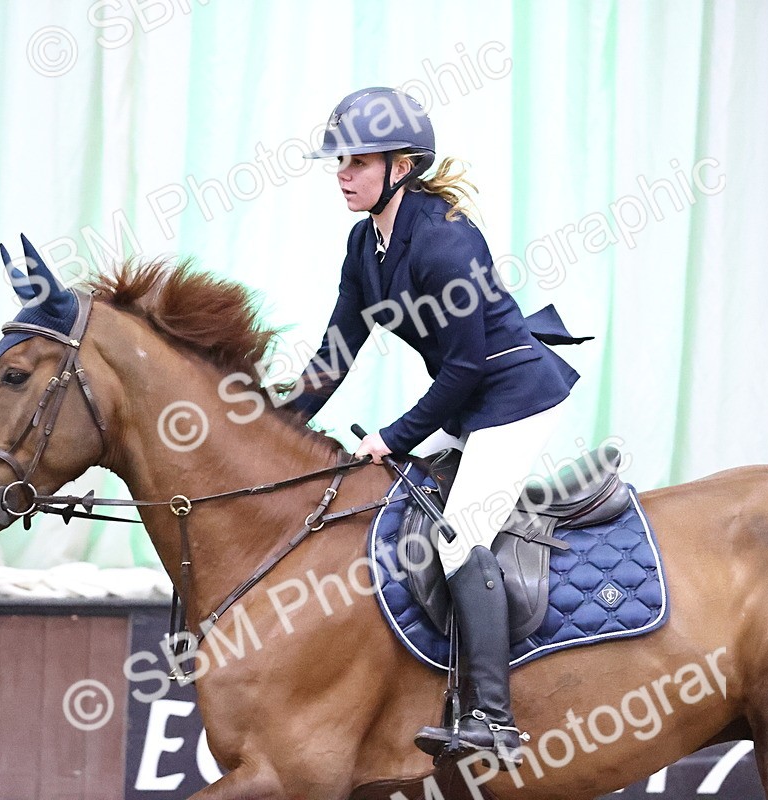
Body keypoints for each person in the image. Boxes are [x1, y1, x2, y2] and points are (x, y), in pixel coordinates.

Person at [287, 87, 591, 767]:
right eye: (340, 161)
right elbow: (336, 353)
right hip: (469, 399)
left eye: (358, 161)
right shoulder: (364, 245)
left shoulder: (446, 239)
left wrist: (392, 437)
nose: (342, 173)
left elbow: (464, 368)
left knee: (458, 538)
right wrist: (274, 421)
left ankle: (493, 719)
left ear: (401, 166)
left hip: (515, 397)